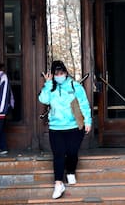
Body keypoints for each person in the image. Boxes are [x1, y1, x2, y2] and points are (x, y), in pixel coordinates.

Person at [38, 60, 92, 199]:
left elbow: (84, 104)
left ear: (66, 73)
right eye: (56, 73)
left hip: (74, 126)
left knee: (72, 152)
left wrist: (88, 121)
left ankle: (71, 171)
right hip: (56, 128)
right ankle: (58, 184)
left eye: (61, 73)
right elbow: (43, 99)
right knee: (59, 154)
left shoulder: (75, 86)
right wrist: (48, 82)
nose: (59, 76)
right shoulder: (50, 87)